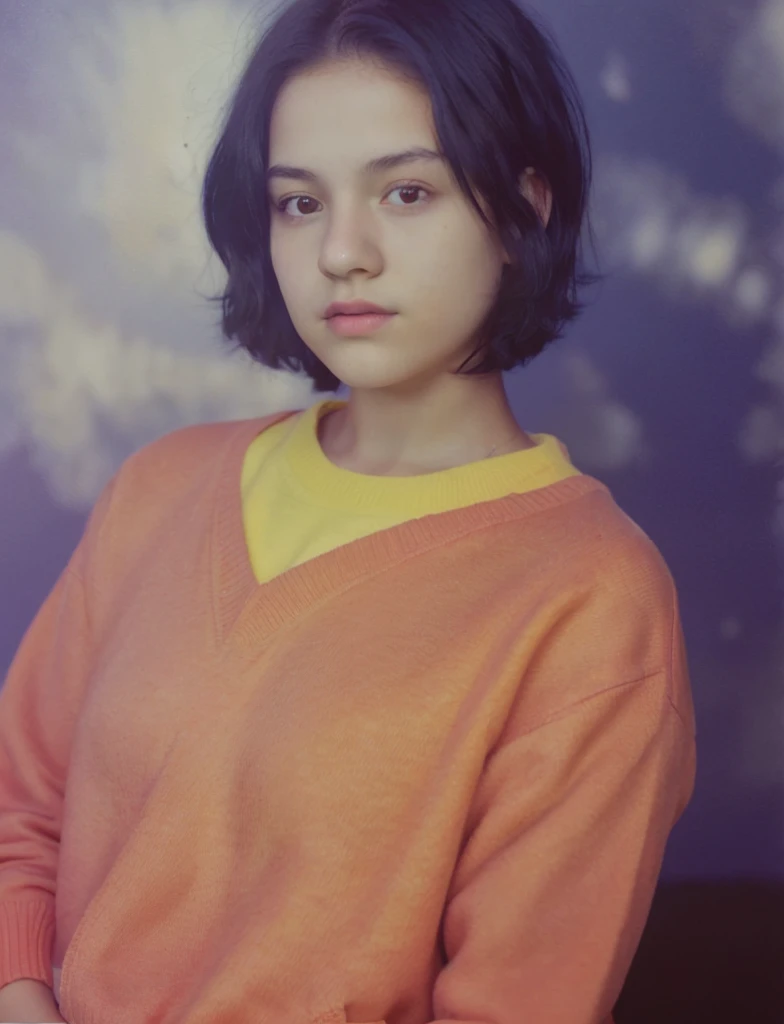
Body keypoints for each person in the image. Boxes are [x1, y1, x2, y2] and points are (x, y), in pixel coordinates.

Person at [0, 0, 697, 1021]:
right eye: (298, 204)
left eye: (405, 191)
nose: (342, 253)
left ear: (525, 207)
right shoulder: (161, 487)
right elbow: (19, 815)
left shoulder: (593, 600)